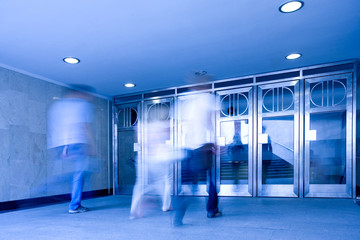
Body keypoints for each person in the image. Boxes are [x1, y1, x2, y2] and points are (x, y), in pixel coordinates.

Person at [173, 75, 221, 226]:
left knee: (187, 184)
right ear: (205, 86)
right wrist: (214, 142)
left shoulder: (184, 101)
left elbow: (179, 124)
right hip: (204, 147)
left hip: (187, 148)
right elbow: (210, 121)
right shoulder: (209, 99)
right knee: (212, 179)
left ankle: (179, 212)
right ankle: (212, 210)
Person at [47, 85, 95, 214]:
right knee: (80, 172)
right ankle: (74, 205)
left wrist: (62, 148)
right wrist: (91, 145)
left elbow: (54, 128)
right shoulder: (82, 105)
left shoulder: (56, 106)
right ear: (79, 93)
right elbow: (84, 126)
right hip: (76, 143)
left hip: (59, 144)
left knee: (76, 172)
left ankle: (45, 186)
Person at [129, 119, 173, 219]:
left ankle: (134, 210)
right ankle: (165, 205)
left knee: (140, 184)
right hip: (156, 157)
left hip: (142, 157)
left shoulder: (142, 126)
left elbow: (139, 140)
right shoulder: (162, 124)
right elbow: (167, 136)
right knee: (162, 181)